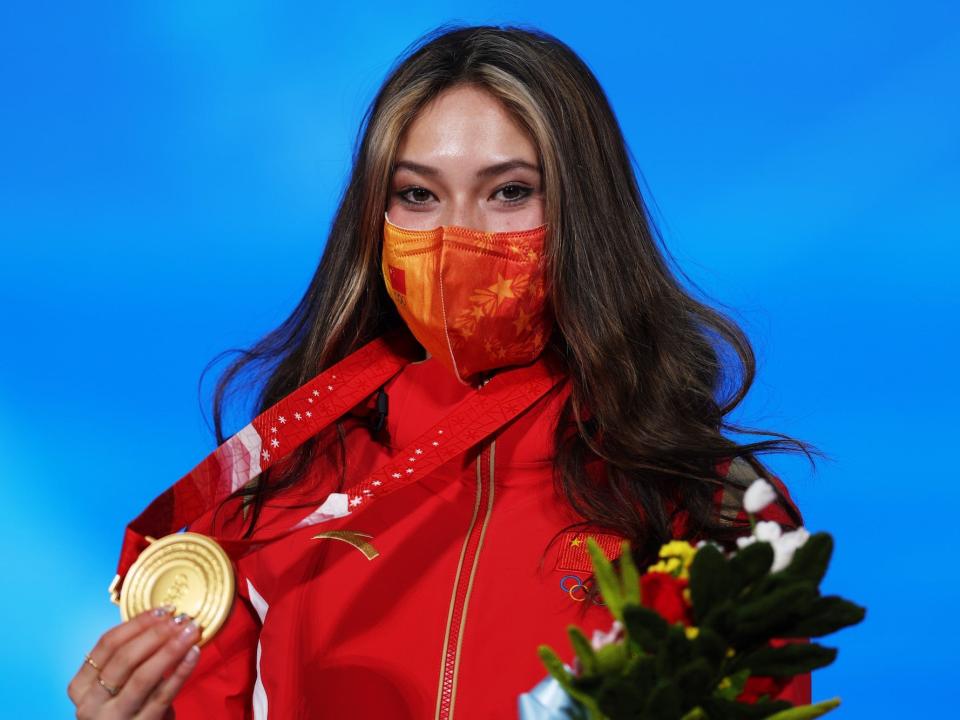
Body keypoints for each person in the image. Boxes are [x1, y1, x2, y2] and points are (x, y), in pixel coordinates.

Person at [68, 23, 818, 719]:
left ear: (587, 216)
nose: (460, 233)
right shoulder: (275, 493)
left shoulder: (710, 509)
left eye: (511, 192)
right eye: (418, 195)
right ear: (375, 218)